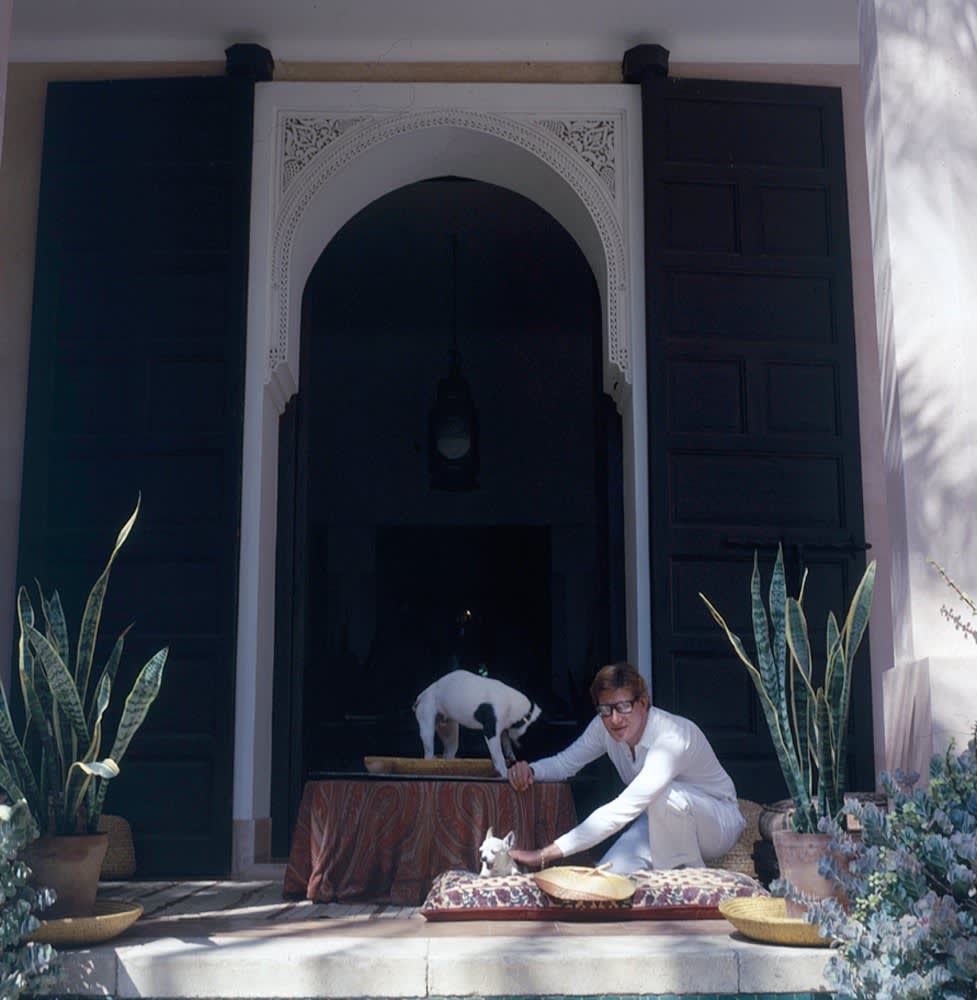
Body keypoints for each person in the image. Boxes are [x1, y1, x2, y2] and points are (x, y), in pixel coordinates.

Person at [507, 661, 745, 872]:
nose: (614, 719)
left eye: (623, 707)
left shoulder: (672, 736)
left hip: (716, 822)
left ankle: (688, 880)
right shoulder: (604, 727)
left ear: (643, 702)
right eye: (605, 709)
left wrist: (546, 853)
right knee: (609, 877)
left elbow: (625, 807)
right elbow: (565, 763)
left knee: (665, 795)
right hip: (657, 818)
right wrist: (531, 771)